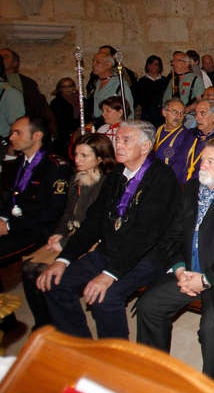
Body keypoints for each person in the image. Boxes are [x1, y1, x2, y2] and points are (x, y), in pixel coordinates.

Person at [136, 138, 214, 385]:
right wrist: (179, 270)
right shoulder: (192, 188)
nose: (201, 165)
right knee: (149, 306)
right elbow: (172, 234)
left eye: (210, 161)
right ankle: (153, 374)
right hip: (189, 271)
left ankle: (210, 388)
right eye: (202, 159)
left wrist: (206, 279)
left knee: (213, 331)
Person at [37, 121, 180, 339]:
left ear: (145, 146)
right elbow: (93, 222)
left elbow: (146, 235)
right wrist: (63, 259)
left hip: (147, 256)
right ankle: (81, 346)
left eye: (126, 140)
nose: (118, 145)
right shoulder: (116, 175)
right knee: (55, 283)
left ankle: (114, 356)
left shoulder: (162, 178)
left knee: (105, 296)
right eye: (117, 139)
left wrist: (109, 274)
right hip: (110, 249)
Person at [21, 134, 115, 330]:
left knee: (44, 273)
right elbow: (67, 213)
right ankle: (44, 324)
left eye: (84, 156)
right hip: (72, 234)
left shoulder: (107, 183)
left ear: (99, 159)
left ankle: (61, 324)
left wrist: (64, 244)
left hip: (92, 239)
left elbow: (95, 224)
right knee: (28, 268)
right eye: (76, 154)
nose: (77, 160)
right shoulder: (76, 178)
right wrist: (59, 233)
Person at [0, 116, 71, 265]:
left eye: (17, 133)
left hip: (38, 230)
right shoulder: (20, 161)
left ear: (37, 136)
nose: (11, 137)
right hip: (16, 222)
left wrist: (10, 225)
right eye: (12, 132)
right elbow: (13, 196)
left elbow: (53, 212)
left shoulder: (55, 166)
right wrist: (3, 219)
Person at [89, 52, 133, 126]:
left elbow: (129, 110)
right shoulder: (97, 83)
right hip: (98, 124)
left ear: (109, 65)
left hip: (114, 125)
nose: (94, 65)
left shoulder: (120, 84)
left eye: (98, 62)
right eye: (93, 61)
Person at [153, 98, 189, 178]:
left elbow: (180, 167)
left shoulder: (186, 136)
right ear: (164, 112)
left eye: (182, 113)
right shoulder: (155, 131)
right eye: (175, 112)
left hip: (169, 180)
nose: (179, 116)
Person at [50, 77, 81, 157]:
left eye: (70, 86)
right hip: (64, 136)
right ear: (60, 89)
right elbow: (59, 120)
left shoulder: (81, 100)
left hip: (80, 132)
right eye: (64, 87)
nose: (67, 89)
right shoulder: (56, 103)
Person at [135, 55, 168, 126]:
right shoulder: (142, 81)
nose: (153, 67)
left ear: (159, 67)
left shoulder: (165, 81)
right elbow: (139, 98)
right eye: (150, 64)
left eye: (156, 64)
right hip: (147, 115)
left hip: (161, 114)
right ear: (147, 66)